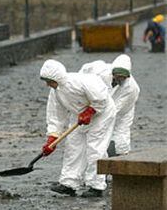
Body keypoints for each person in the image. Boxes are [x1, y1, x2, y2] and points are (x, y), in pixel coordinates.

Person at [40, 59, 115, 197]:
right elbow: (55, 116)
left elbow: (101, 98)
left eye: (49, 80)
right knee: (73, 146)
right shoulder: (55, 92)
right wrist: (53, 137)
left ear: (57, 77)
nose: (47, 84)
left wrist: (91, 111)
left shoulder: (81, 81)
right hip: (79, 114)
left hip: (101, 114)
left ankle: (96, 186)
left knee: (95, 148)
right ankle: (69, 183)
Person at [79, 55, 140, 156]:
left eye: (123, 77)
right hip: (98, 102)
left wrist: (93, 111)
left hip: (123, 111)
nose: (119, 78)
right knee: (86, 133)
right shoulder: (98, 69)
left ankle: (118, 158)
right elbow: (82, 76)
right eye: (117, 75)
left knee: (120, 135)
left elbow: (113, 110)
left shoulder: (132, 89)